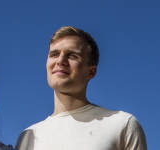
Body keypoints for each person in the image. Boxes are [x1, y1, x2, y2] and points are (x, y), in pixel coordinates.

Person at [16, 26, 147, 150]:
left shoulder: (122, 124)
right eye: (54, 54)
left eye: (72, 56)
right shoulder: (27, 137)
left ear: (91, 72)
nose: (60, 61)